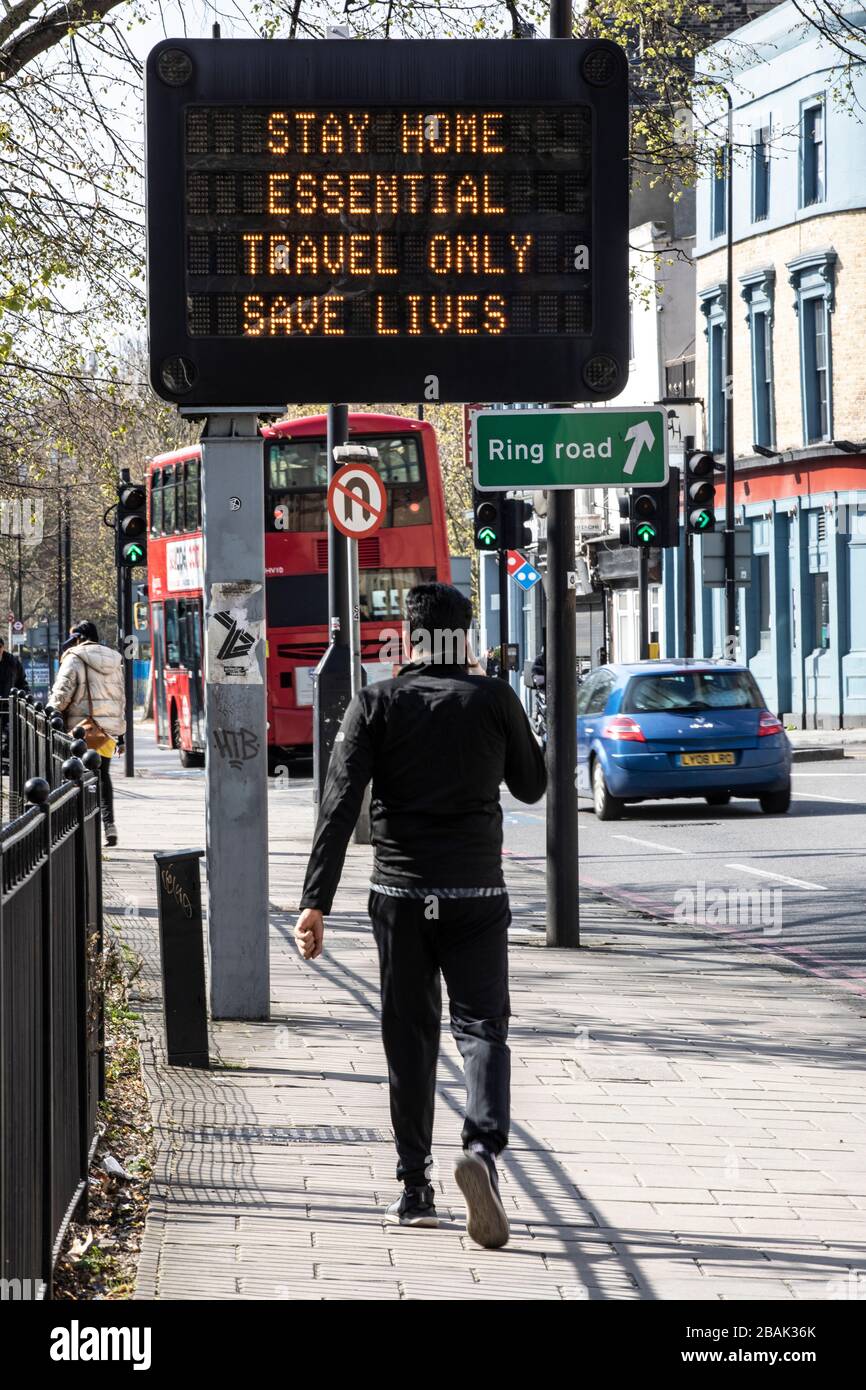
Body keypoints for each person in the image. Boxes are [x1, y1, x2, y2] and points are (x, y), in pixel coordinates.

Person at [294, 583, 546, 1248]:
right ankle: (483, 1151)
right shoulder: (492, 698)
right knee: (482, 1027)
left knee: (409, 1038)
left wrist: (314, 901)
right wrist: (505, 702)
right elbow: (532, 785)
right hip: (476, 896)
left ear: (408, 637)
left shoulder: (375, 703)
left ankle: (414, 1189)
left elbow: (339, 807)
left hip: (402, 897)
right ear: (464, 637)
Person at [49, 620, 125, 846]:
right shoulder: (114, 659)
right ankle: (109, 825)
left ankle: (78, 830)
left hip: (81, 730)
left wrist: (52, 710)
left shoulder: (74, 657)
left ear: (79, 638)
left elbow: (62, 693)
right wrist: (121, 735)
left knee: (76, 776)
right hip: (107, 731)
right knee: (103, 776)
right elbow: (120, 698)